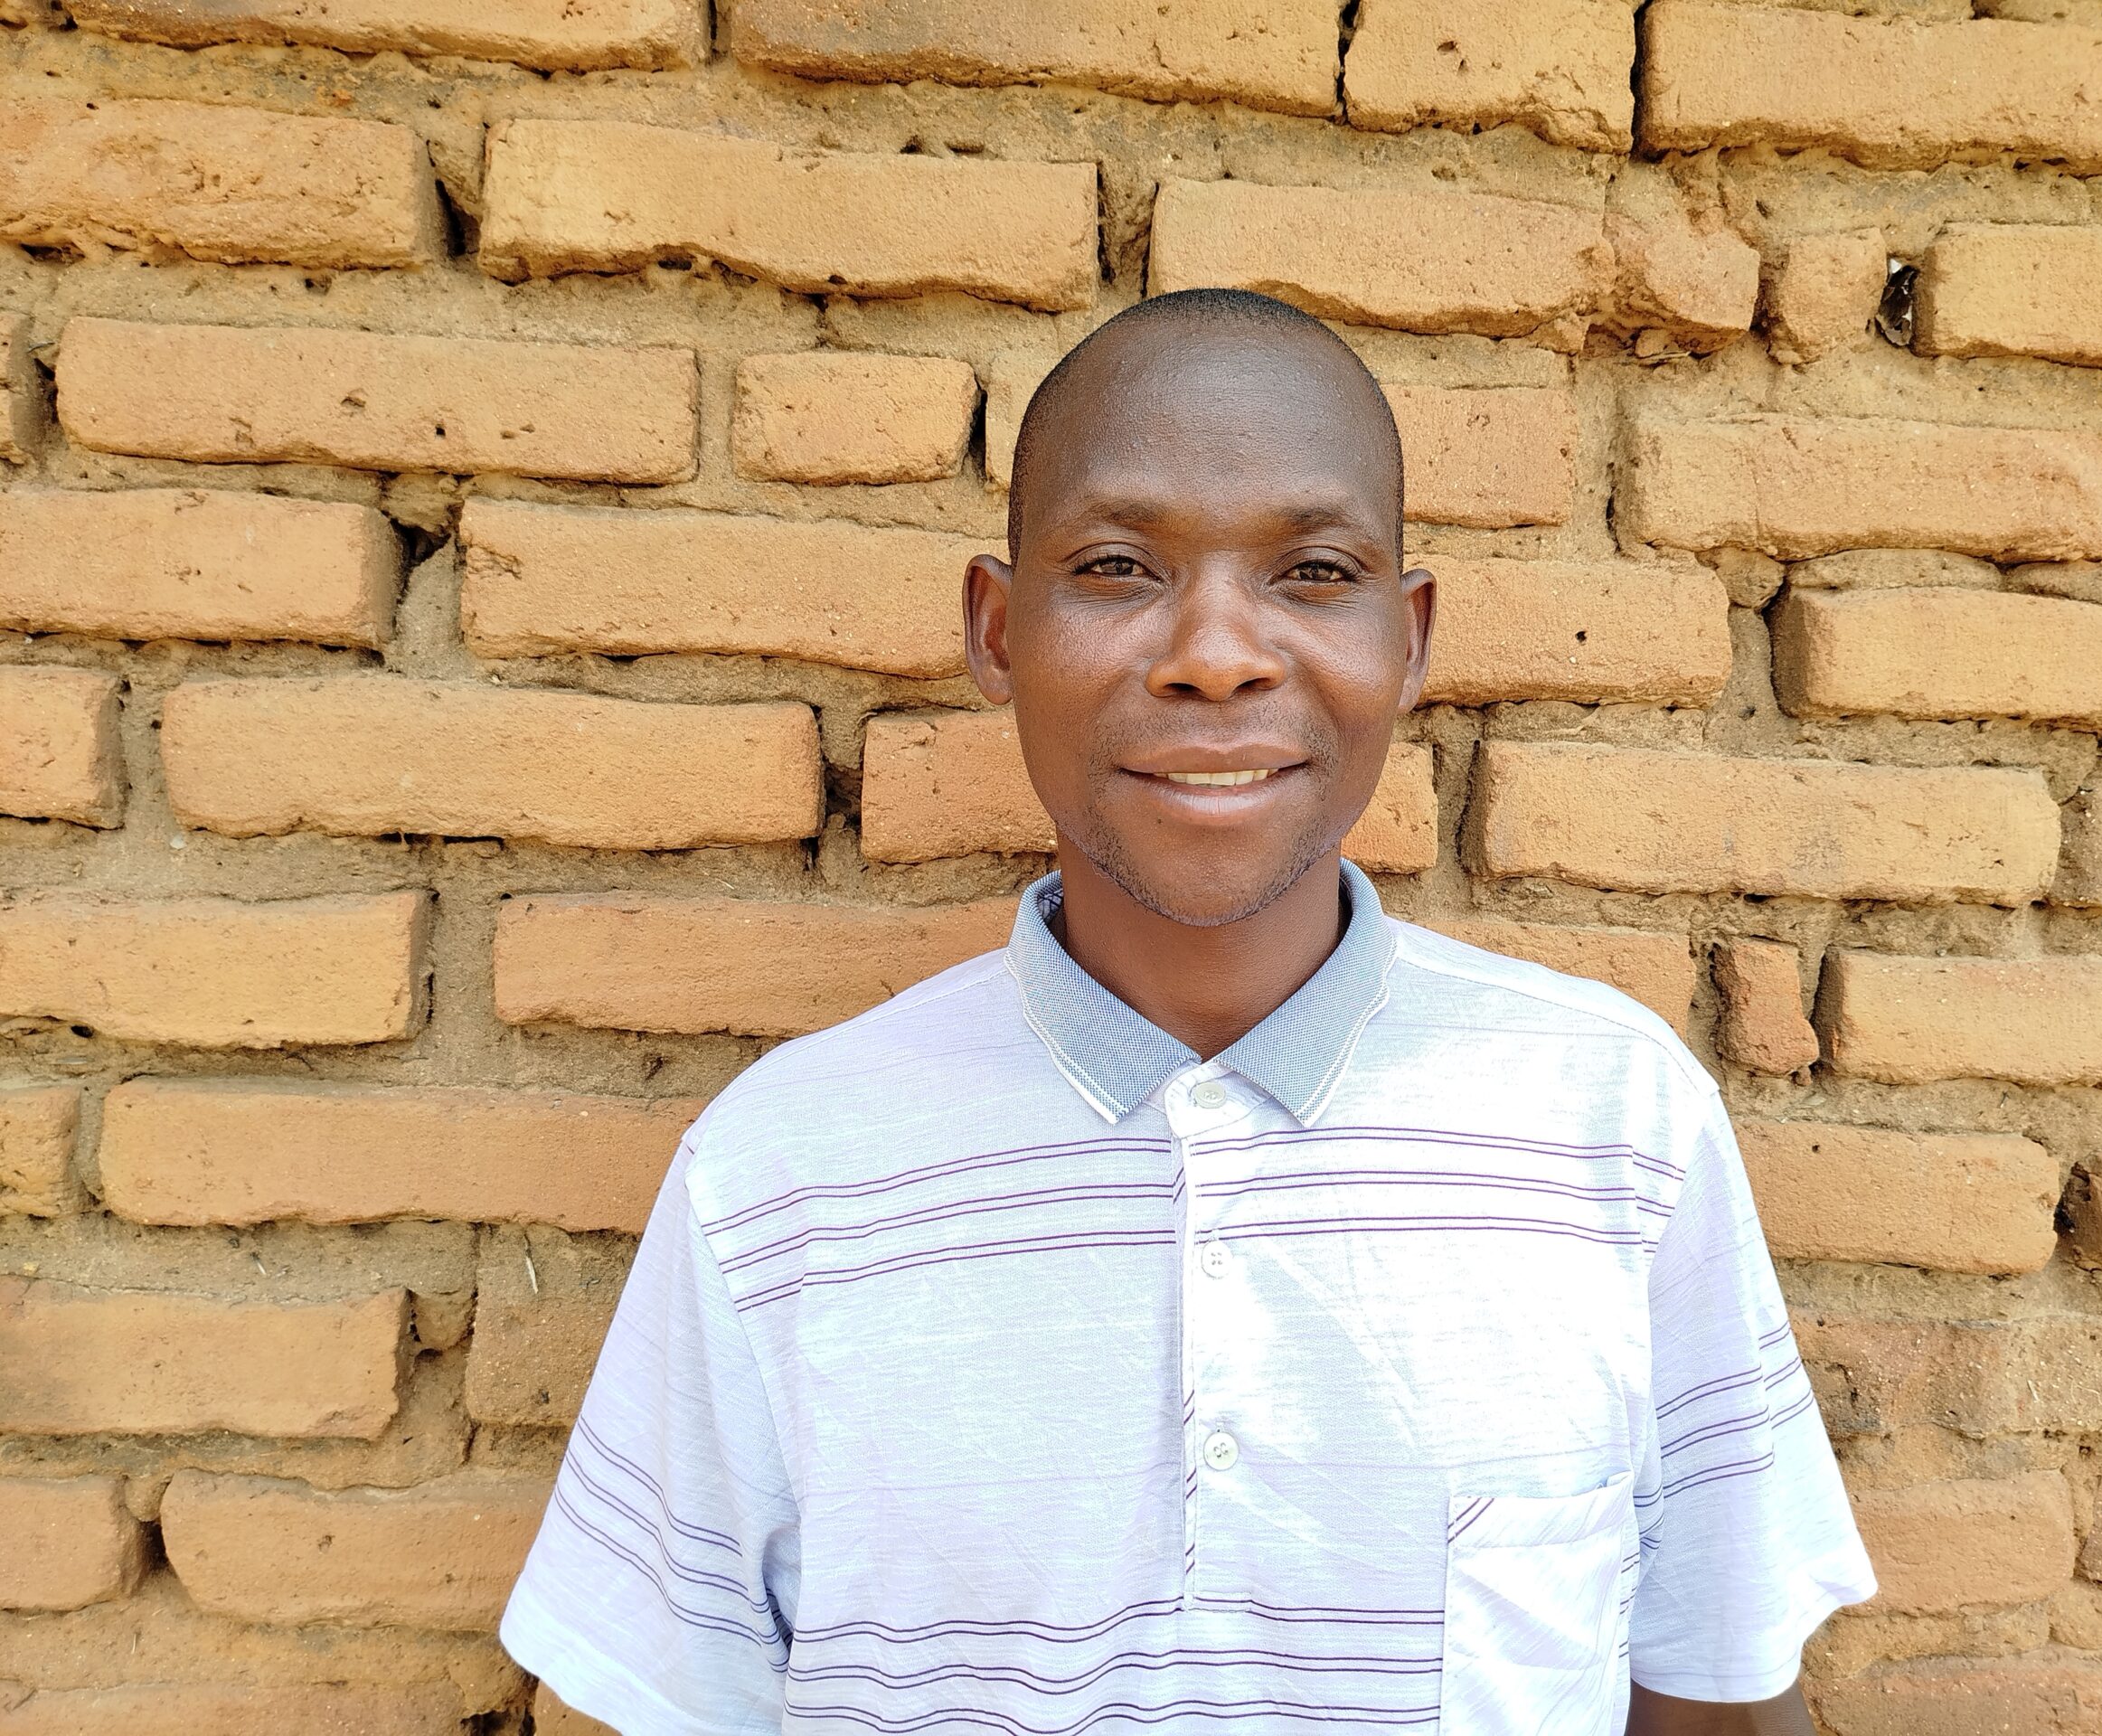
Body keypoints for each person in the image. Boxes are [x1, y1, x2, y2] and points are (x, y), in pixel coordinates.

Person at [501, 288, 1876, 1735]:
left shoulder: (1614, 1126)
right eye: (1114, 566)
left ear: (1408, 642)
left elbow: (1717, 1696)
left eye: (1314, 573)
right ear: (996, 631)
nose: (1216, 652)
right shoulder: (780, 1178)